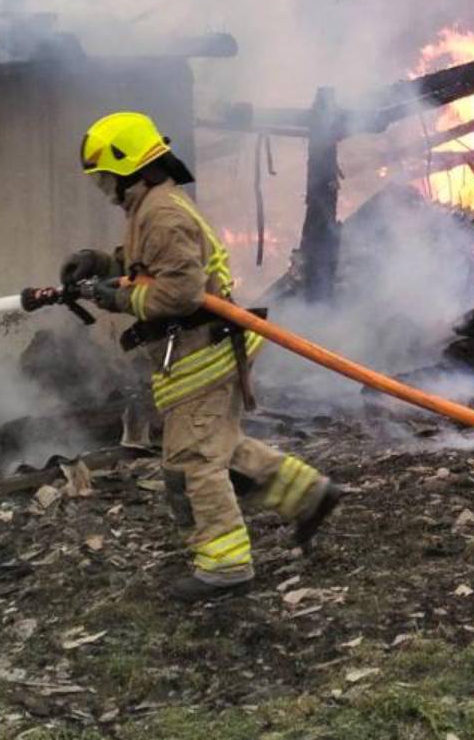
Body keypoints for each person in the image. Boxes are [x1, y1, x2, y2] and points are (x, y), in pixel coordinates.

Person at [62, 111, 341, 604]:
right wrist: (102, 264)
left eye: (104, 177)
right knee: (219, 447)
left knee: (192, 463)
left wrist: (117, 298)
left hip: (201, 355)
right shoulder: (152, 206)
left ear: (127, 168)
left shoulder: (162, 214)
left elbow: (179, 293)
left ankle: (226, 566)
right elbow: (151, 266)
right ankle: (309, 495)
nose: (102, 189)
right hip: (199, 353)